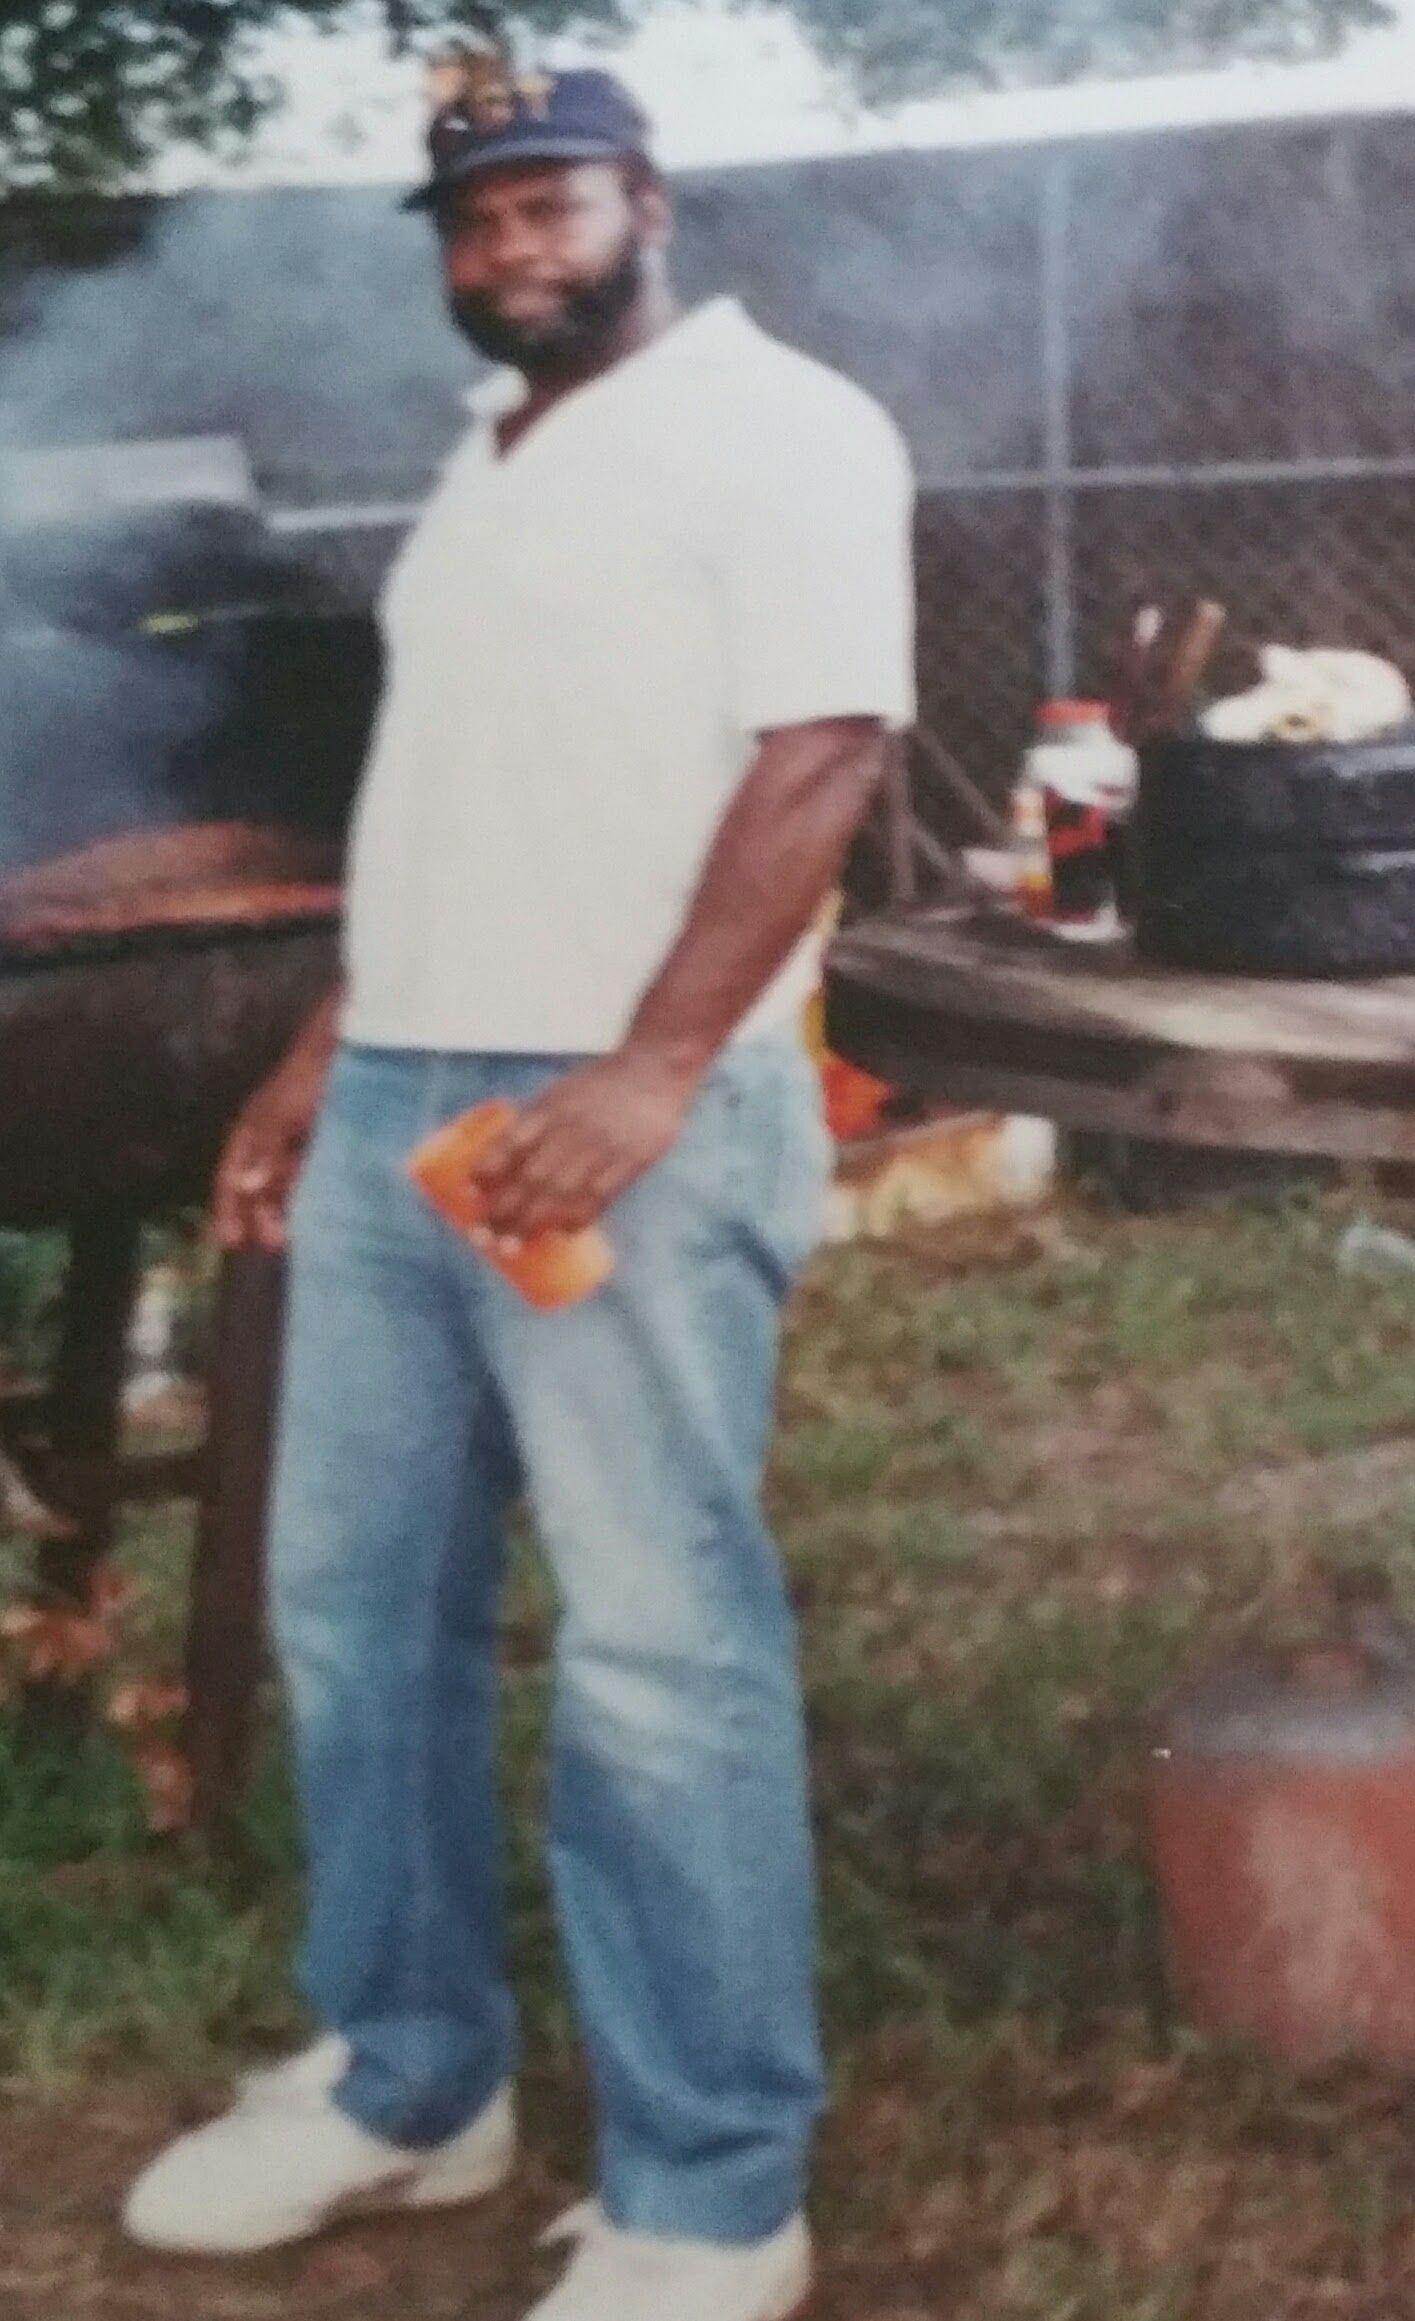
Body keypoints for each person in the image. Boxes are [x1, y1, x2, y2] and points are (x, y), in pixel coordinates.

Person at [122, 53, 916, 2321]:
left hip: (611, 1117)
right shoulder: (489, 458)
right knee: (352, 1612)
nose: (504, 249)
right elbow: (447, 790)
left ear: (646, 199)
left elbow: (831, 746)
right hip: (404, 1102)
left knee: (657, 1651)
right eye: (469, 219)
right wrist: (316, 1049)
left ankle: (713, 2189)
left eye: (544, 203)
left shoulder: (783, 425)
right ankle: (408, 2079)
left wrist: (663, 1062)